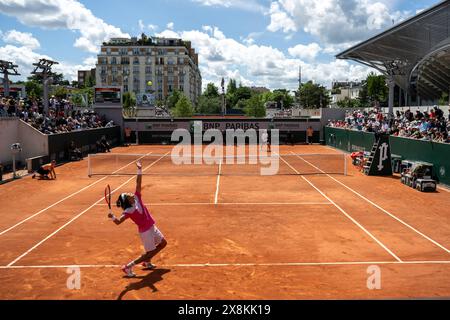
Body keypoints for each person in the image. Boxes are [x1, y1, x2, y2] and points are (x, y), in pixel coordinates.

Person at [108, 161, 168, 278]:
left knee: (163, 243)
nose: (130, 193)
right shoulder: (128, 211)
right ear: (127, 200)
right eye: (127, 194)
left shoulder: (137, 197)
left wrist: (139, 169)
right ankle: (128, 266)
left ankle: (147, 261)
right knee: (149, 252)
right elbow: (118, 222)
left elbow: (138, 183)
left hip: (151, 226)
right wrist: (113, 217)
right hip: (145, 232)